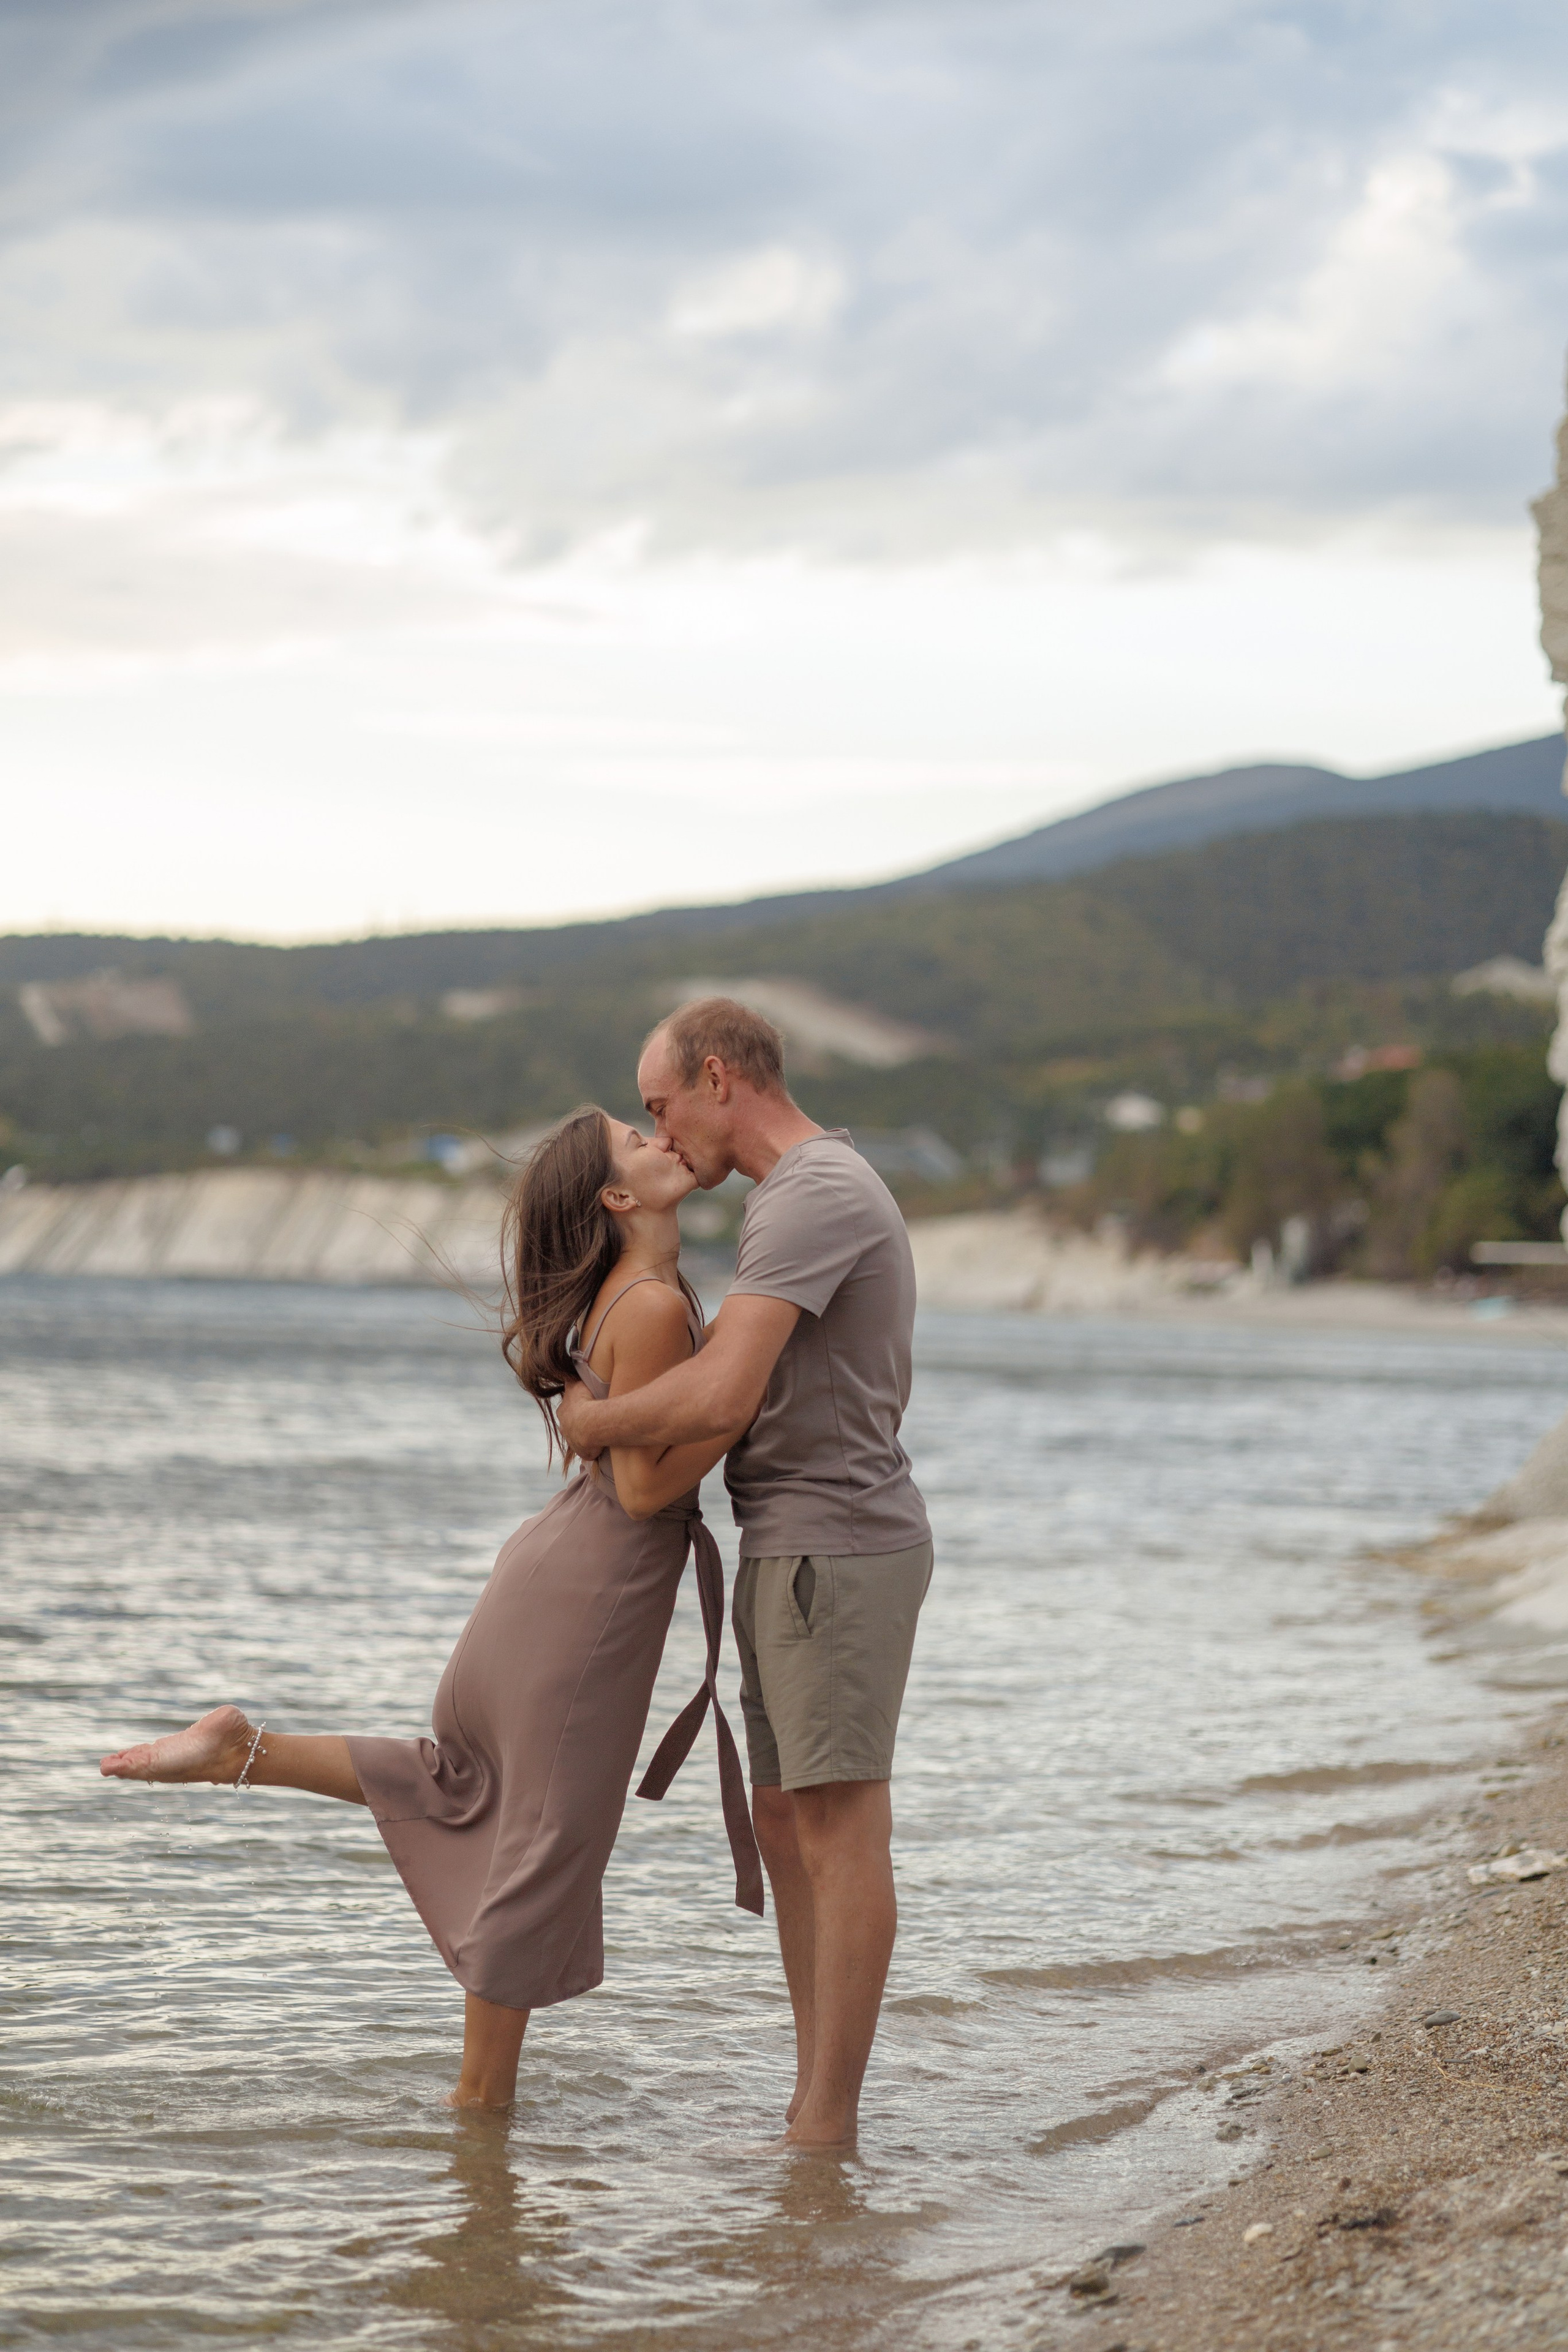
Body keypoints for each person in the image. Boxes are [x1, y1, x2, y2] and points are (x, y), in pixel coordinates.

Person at [98, 1108, 763, 2111]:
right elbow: (639, 1489)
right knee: (545, 1842)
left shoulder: (633, 1294)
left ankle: (245, 1748)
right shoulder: (655, 1304)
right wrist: (745, 1396)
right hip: (594, 1589)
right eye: (640, 1140)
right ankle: (478, 2116)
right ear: (618, 1199)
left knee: (465, 1782)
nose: (664, 1140)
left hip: (549, 1576)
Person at [559, 997, 932, 2150]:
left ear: (721, 1079)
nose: (664, 1137)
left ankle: (825, 2125)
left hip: (838, 1540)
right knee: (785, 1817)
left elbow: (725, 1394)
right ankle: (813, 2097)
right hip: (795, 1537)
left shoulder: (813, 1193)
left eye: (665, 1107)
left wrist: (593, 1421)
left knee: (837, 1823)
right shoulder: (796, 1197)